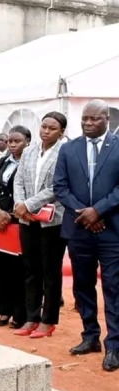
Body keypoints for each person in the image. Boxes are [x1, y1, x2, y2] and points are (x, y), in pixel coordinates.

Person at [54, 99, 119, 371]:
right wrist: (87, 214)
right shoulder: (69, 149)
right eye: (85, 119)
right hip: (79, 229)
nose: (88, 124)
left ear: (107, 119)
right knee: (82, 286)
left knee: (114, 287)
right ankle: (90, 336)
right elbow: (60, 187)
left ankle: (114, 346)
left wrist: (99, 211)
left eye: (94, 119)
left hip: (112, 231)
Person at [13, 111, 66, 339]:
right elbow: (19, 179)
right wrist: (19, 203)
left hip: (52, 221)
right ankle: (31, 317)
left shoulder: (65, 152)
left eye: (51, 128)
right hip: (27, 219)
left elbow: (57, 187)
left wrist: (28, 203)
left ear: (61, 132)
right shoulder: (29, 151)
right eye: (43, 126)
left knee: (50, 272)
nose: (45, 131)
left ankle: (48, 320)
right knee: (31, 270)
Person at [0, 125, 31, 329]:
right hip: (1, 221)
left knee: (19, 269)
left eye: (17, 141)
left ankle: (19, 313)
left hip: (20, 220)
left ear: (28, 142)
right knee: (0, 267)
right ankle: (3, 309)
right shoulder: (4, 161)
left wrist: (13, 214)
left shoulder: (30, 163)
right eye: (10, 141)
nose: (12, 145)